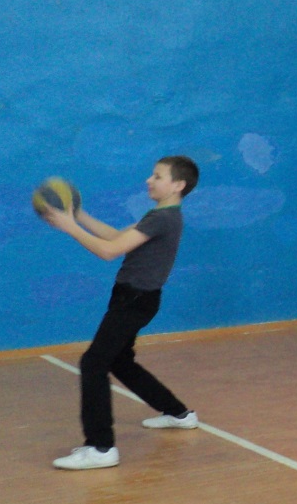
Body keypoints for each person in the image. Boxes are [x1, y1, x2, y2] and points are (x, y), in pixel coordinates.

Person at [41, 156, 201, 470]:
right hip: (135, 298)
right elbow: (115, 237)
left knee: (93, 363)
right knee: (120, 361)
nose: (149, 180)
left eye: (157, 176)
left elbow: (108, 251)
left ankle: (101, 447)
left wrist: (69, 227)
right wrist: (79, 216)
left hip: (134, 301)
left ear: (178, 185)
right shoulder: (160, 215)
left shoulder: (162, 218)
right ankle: (179, 414)